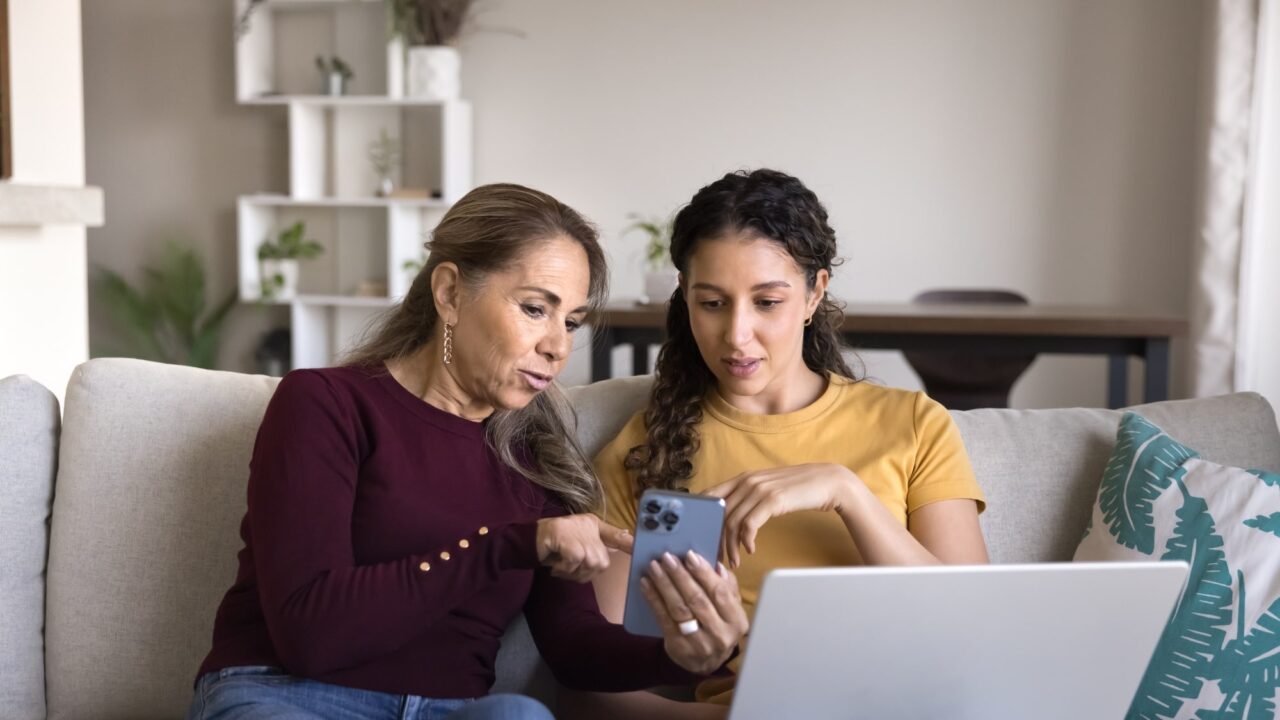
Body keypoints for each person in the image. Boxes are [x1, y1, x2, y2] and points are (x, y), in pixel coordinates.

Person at [187, 183, 749, 720]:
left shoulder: (538, 461)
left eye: (571, 321)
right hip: (289, 697)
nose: (558, 347)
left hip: (450, 711)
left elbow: (574, 649)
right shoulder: (326, 404)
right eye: (535, 309)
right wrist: (504, 546)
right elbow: (312, 637)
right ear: (450, 293)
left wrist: (682, 653)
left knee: (519, 714)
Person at [566, 169, 989, 718]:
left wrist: (847, 493)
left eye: (767, 302)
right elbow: (592, 688)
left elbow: (975, 628)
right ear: (685, 297)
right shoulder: (644, 453)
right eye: (712, 303)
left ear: (815, 293)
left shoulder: (913, 424)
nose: (737, 335)